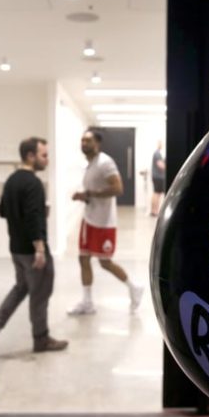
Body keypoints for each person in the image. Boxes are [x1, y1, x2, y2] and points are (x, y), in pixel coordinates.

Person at [0, 137, 68, 354]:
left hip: (16, 248)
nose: (47, 159)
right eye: (44, 155)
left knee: (21, 289)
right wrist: (40, 249)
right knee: (40, 295)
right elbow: (33, 217)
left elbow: (2, 211)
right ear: (30, 156)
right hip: (32, 251)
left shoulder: (12, 180)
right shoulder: (33, 183)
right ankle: (41, 339)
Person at [69, 129, 144, 315]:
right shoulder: (89, 164)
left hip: (103, 223)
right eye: (82, 140)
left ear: (97, 143)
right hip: (89, 220)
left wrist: (89, 194)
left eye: (88, 140)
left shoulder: (105, 162)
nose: (83, 143)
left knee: (105, 262)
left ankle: (134, 287)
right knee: (83, 258)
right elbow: (94, 191)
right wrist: (84, 197)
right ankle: (87, 302)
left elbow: (118, 188)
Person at [150, 140, 166, 216]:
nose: (161, 145)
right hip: (158, 177)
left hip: (156, 176)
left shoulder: (157, 153)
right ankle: (155, 211)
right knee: (157, 193)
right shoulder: (157, 154)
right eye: (160, 143)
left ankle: (154, 211)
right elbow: (160, 165)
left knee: (156, 193)